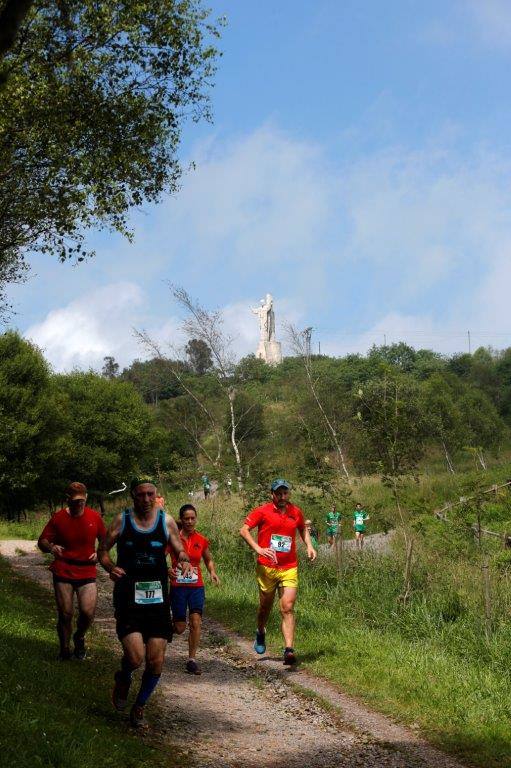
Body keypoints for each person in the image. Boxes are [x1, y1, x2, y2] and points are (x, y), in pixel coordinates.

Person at [98, 477, 192, 728]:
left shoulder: (166, 520)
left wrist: (183, 559)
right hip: (129, 597)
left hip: (158, 599)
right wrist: (110, 566)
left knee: (156, 660)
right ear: (133, 497)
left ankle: (139, 706)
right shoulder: (122, 520)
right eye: (141, 495)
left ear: (156, 494)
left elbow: (179, 548)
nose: (147, 499)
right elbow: (103, 550)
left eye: (151, 494)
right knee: (136, 657)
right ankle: (124, 675)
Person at [239, 479, 316, 666]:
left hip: (289, 566)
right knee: (265, 606)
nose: (282, 497)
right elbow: (244, 530)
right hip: (267, 566)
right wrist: (258, 548)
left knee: (287, 607)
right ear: (272, 494)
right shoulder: (262, 511)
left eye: (285, 493)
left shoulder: (295, 512)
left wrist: (309, 546)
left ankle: (289, 649)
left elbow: (303, 530)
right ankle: (260, 631)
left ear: (289, 494)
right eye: (278, 493)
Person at [38, 482, 106, 661]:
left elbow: (105, 541)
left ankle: (79, 636)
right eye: (75, 501)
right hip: (64, 570)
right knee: (66, 613)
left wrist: (99, 554)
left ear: (86, 498)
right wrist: (51, 547)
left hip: (87, 570)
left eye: (82, 500)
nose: (79, 504)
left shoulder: (95, 517)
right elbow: (42, 541)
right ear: (67, 499)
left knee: (87, 612)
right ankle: (65, 649)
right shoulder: (58, 518)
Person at [169, 504, 220, 675]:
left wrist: (212, 572)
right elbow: (160, 558)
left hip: (196, 587)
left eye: (193, 518)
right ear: (181, 520)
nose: (190, 521)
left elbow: (208, 559)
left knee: (196, 621)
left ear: (196, 519)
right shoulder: (173, 540)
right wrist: (165, 569)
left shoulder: (201, 539)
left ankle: (191, 660)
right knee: (180, 627)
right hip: (178, 587)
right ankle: (166, 630)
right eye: (186, 518)